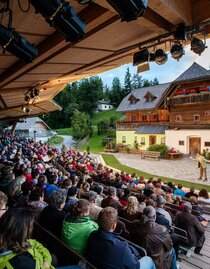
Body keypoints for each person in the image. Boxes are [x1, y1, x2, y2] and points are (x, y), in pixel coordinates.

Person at [0, 208, 80, 269]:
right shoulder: (22, 263)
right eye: (30, 226)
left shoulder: (12, 240)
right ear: (21, 231)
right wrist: (46, 263)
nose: (31, 229)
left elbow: (34, 242)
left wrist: (47, 260)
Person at [86, 206, 156, 269]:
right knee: (148, 259)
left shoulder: (92, 235)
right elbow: (135, 266)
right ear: (114, 226)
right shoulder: (122, 248)